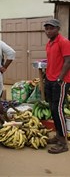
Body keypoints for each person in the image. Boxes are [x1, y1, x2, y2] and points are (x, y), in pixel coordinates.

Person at [43, 19, 70, 154]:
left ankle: (63, 143)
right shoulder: (49, 44)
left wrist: (59, 78)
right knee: (53, 109)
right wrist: (47, 77)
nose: (48, 31)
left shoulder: (64, 42)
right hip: (50, 79)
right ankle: (58, 135)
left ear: (58, 29)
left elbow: (68, 61)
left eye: (51, 28)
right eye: (46, 29)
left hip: (61, 80)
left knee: (58, 109)